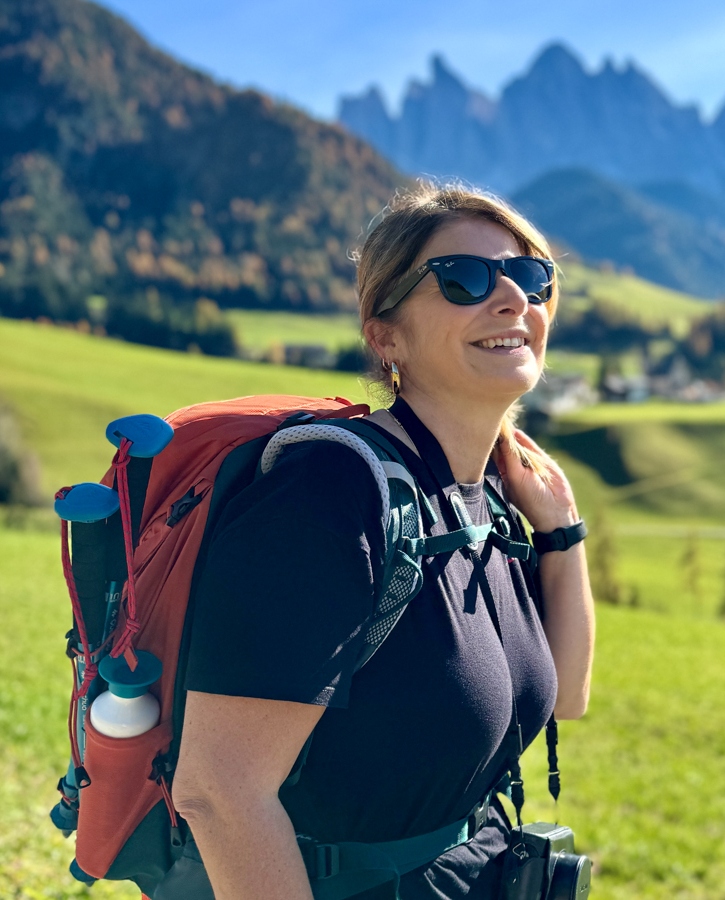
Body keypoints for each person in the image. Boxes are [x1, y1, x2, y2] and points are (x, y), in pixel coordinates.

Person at [170, 184, 596, 900]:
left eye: (530, 278)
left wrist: (562, 532)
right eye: (464, 280)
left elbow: (567, 694)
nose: (511, 300)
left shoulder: (488, 498)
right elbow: (219, 791)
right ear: (385, 336)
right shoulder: (332, 491)